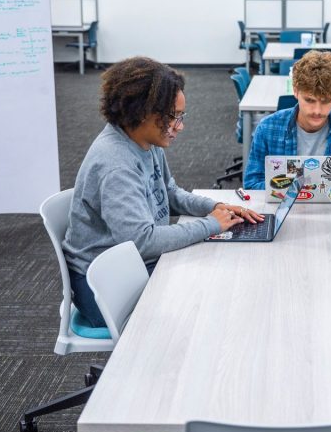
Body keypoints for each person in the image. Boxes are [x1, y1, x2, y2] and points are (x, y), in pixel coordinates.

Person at [63, 57, 264, 327]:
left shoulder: (145, 140)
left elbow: (168, 192)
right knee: (212, 294)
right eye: (173, 117)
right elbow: (142, 241)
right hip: (105, 288)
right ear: (141, 111)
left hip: (133, 263)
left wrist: (215, 207)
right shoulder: (116, 165)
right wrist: (210, 225)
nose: (179, 126)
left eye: (181, 116)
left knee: (220, 272)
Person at [243, 50, 331, 189]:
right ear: (295, 91)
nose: (317, 111)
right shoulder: (267, 128)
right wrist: (291, 190)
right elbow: (251, 184)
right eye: (309, 100)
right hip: (281, 208)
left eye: (326, 101)